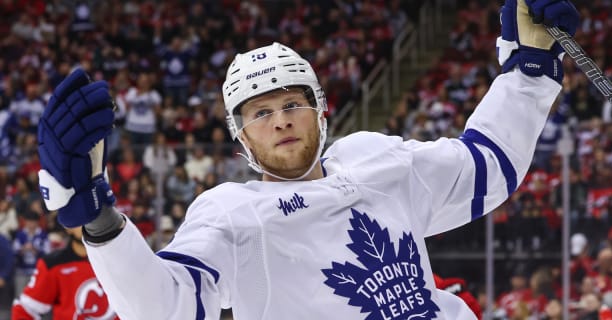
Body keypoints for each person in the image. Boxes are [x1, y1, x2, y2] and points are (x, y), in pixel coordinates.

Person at [34, 0, 579, 318]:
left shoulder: (378, 161)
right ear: (240, 138)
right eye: (260, 113)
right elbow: (165, 305)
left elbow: (488, 165)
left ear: (321, 111)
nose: (280, 120)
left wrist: (527, 71)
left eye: (293, 103)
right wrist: (99, 221)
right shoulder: (231, 215)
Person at [10, 227, 117, 319]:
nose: (88, 224)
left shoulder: (125, 260)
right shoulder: (53, 264)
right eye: (81, 219)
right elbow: (26, 308)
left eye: (95, 217)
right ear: (68, 226)